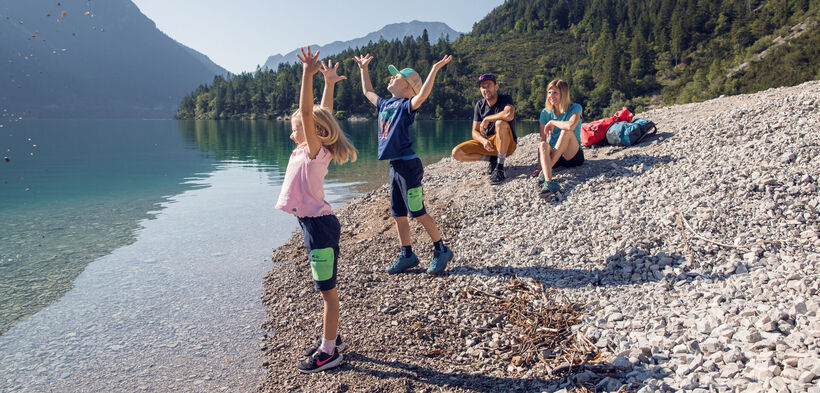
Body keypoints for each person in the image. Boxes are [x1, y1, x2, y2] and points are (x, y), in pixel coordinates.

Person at [275, 47, 357, 373]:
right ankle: (333, 339)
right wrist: (330, 83)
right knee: (326, 290)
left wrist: (308, 73)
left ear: (313, 133)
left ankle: (329, 351)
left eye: (296, 128)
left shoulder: (313, 150)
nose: (293, 132)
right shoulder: (310, 147)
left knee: (328, 294)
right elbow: (324, 113)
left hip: (319, 228)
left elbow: (310, 113)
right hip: (315, 225)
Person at [352, 52, 455, 275]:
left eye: (396, 76)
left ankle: (441, 249)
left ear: (408, 87)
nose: (391, 78)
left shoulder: (406, 106)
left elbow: (423, 95)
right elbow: (367, 91)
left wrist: (434, 70)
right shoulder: (385, 104)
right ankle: (407, 254)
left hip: (409, 167)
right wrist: (363, 69)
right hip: (395, 166)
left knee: (417, 211)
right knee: (398, 214)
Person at [451, 73, 517, 185]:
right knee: (457, 153)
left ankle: (500, 168)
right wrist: (484, 141)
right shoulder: (479, 105)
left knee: (500, 123)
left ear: (496, 87)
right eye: (483, 87)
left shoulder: (505, 99)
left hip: (507, 144)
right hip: (490, 144)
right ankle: (492, 159)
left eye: (489, 85)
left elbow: (509, 115)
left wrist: (487, 119)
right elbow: (474, 131)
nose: (486, 89)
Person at [536, 79, 584, 197]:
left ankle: (546, 174)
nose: (551, 96)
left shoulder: (575, 108)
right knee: (542, 144)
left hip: (572, 155)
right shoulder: (545, 112)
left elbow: (571, 125)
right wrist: (540, 166)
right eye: (549, 93)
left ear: (564, 94)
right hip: (555, 156)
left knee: (566, 131)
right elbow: (542, 139)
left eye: (555, 93)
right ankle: (548, 181)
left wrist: (553, 122)